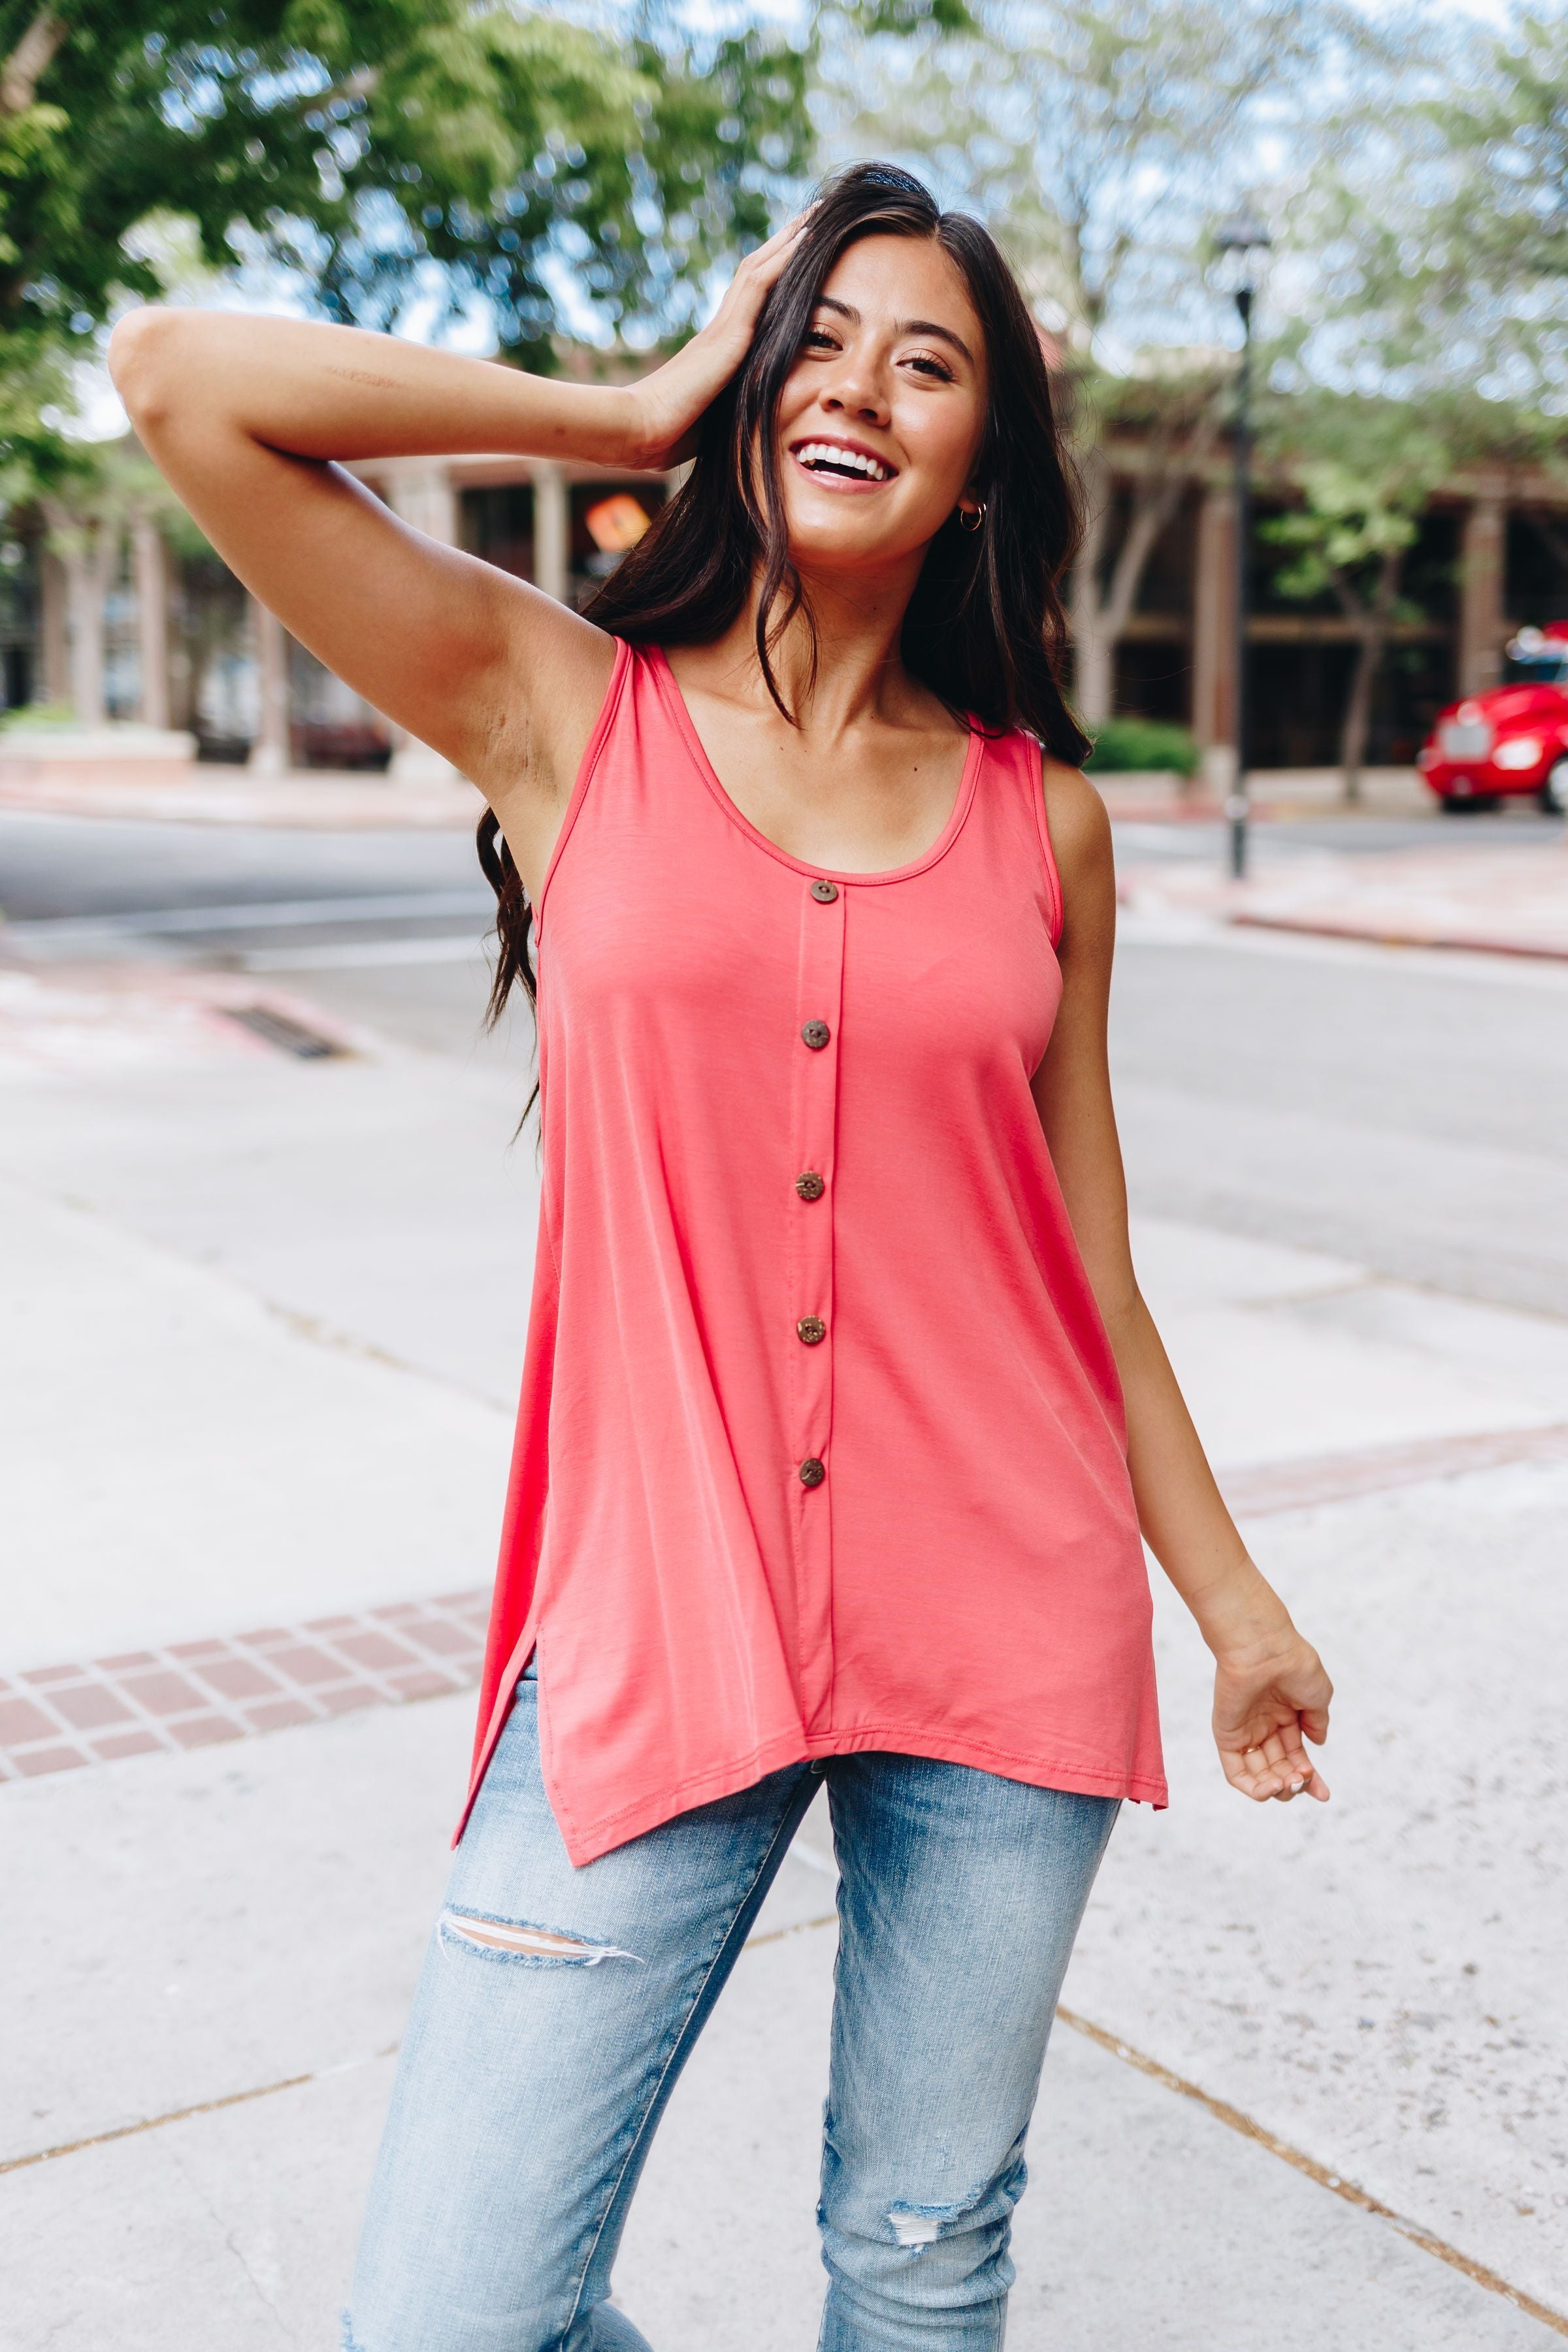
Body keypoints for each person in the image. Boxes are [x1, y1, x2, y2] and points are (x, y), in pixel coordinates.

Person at [110, 161, 1332, 2352]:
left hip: (1010, 1631)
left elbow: (1095, 1274)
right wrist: (635, 399)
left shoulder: (1044, 816)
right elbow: (181, 381)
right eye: (823, 337)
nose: (864, 385)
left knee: (922, 2259)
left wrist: (1235, 1610)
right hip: (657, 1617)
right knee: (452, 2317)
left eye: (929, 362)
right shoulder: (562, 710)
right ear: (763, 389)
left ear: (981, 469)